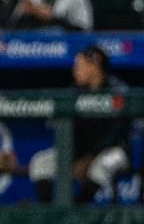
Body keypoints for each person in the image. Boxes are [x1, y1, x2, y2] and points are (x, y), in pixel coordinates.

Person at [28, 46, 133, 204]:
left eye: (80, 65)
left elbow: (115, 135)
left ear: (95, 64)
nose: (75, 70)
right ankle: (51, 216)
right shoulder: (74, 92)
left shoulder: (118, 91)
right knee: (41, 162)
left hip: (114, 151)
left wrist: (89, 158)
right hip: (80, 154)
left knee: (102, 166)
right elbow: (70, 132)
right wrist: (76, 157)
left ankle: (78, 211)